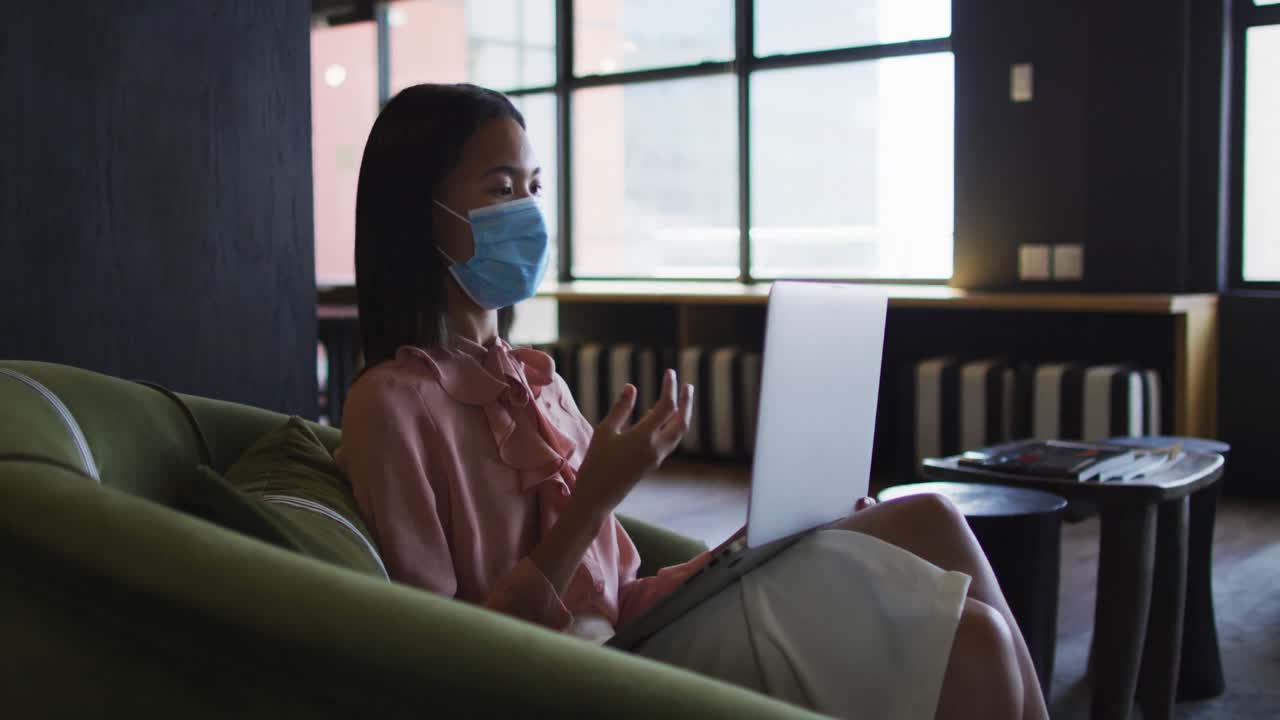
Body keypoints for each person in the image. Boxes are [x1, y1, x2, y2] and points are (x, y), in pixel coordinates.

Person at [336, 82, 1049, 720]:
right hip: (575, 672)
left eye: (534, 186)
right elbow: (433, 654)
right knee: (975, 639)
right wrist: (593, 501)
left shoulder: (536, 383)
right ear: (418, 213)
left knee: (930, 512)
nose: (526, 212)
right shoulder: (390, 406)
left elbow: (620, 590)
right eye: (499, 190)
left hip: (639, 631)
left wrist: (745, 549)